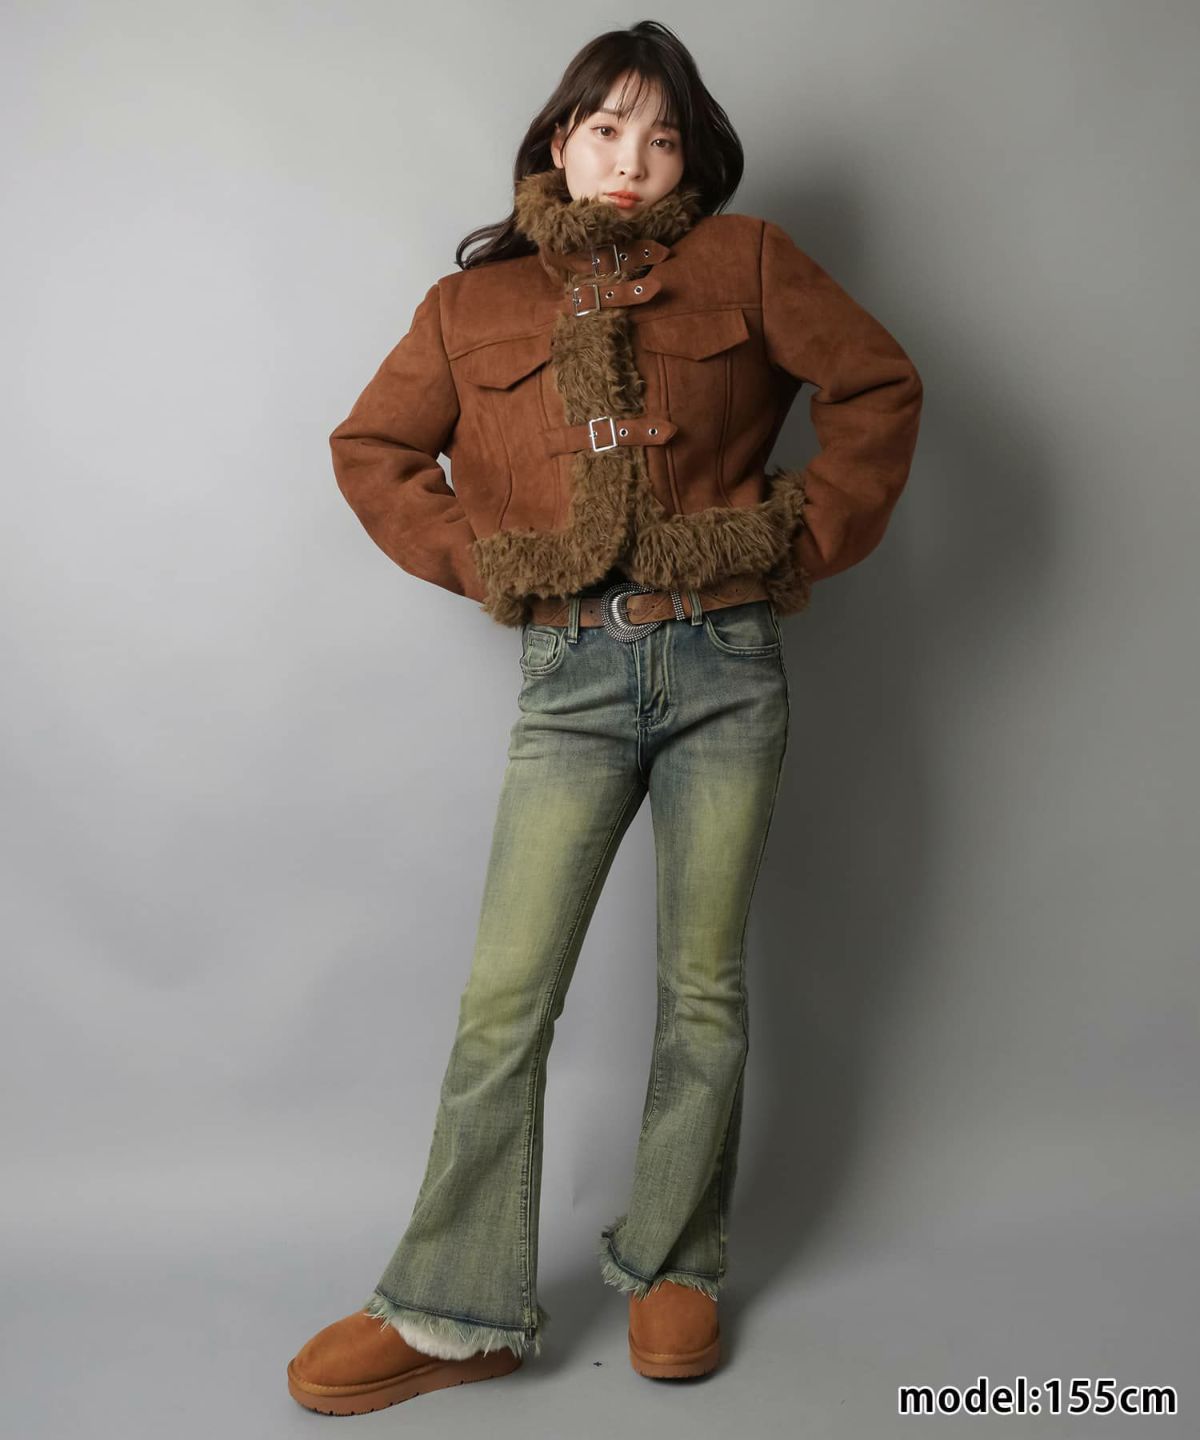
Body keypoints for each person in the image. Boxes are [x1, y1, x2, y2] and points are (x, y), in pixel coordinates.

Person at [287, 18, 923, 1417]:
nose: (630, 160)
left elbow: (879, 388)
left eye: (662, 136)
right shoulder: (472, 306)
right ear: (558, 143)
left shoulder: (750, 261)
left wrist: (796, 534)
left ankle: (676, 1261)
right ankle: (456, 1308)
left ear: (692, 158)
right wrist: (487, 562)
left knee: (706, 988)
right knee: (504, 1002)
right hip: (569, 679)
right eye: (604, 129)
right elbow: (374, 449)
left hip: (728, 664)